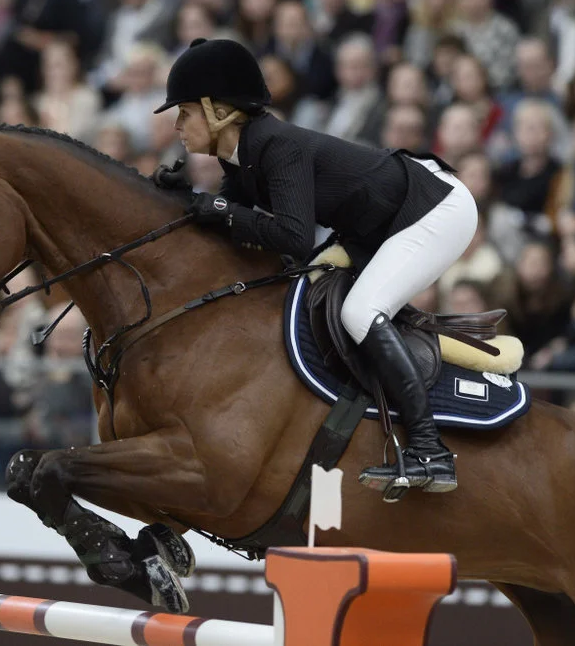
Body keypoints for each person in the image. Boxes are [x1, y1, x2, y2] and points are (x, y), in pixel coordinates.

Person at [151, 38, 479, 499]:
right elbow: (228, 219)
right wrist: (178, 199)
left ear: (218, 111)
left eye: (184, 112)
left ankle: (431, 450)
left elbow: (293, 236)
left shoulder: (276, 145)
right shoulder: (242, 156)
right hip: (384, 221)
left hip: (434, 208)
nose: (176, 125)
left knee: (360, 312)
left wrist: (217, 208)